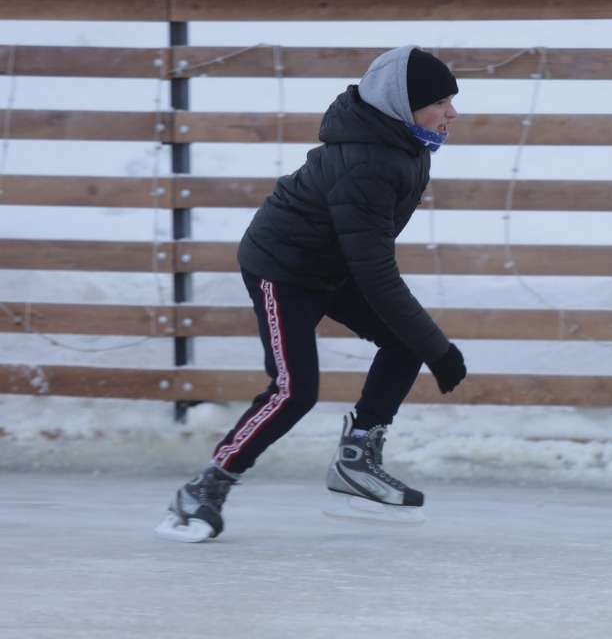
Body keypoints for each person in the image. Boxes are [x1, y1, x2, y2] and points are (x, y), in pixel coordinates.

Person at [155, 45, 467, 542]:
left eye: (452, 99)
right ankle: (205, 487)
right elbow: (376, 270)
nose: (452, 112)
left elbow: (368, 258)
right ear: (398, 104)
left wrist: (426, 344)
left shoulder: (402, 145)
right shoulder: (369, 161)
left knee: (404, 341)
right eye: (440, 102)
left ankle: (355, 461)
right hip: (284, 269)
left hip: (332, 263)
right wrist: (440, 349)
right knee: (294, 390)